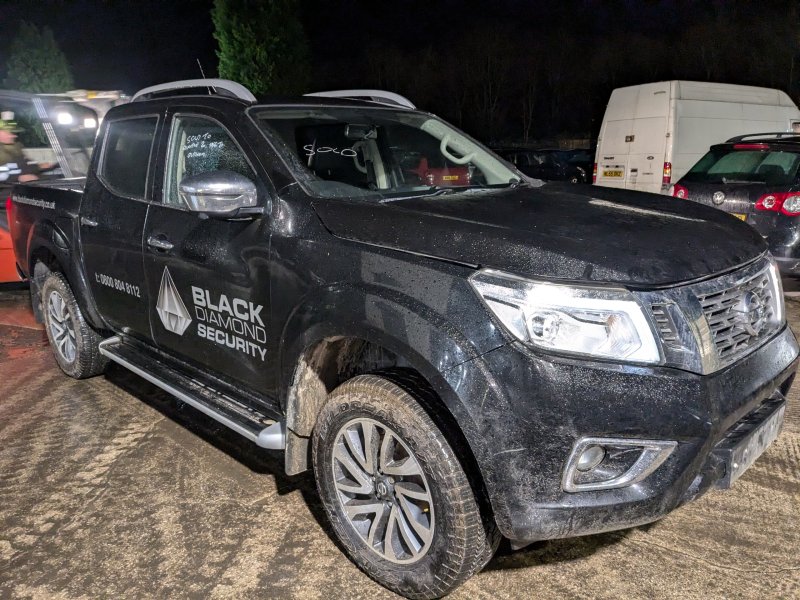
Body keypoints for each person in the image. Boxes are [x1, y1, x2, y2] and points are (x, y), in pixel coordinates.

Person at [0, 119, 42, 183]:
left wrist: (39, 166)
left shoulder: (15, 148)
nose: (14, 136)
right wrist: (18, 177)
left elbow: (23, 165)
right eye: (9, 133)